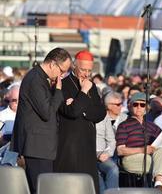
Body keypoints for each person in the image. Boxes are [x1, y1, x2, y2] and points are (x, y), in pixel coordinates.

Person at [11, 48, 72, 193]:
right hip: (37, 146)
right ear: (52, 64)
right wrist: (58, 91)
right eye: (62, 70)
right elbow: (47, 113)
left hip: (42, 147)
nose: (62, 75)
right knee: (41, 189)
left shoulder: (42, 78)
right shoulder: (35, 79)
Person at [54, 50, 106, 194]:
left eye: (89, 70)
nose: (86, 74)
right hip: (68, 144)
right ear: (74, 66)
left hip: (87, 144)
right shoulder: (62, 84)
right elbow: (71, 112)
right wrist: (83, 93)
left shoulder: (91, 86)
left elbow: (100, 113)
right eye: (83, 69)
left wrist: (81, 106)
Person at [116, 92, 162, 194]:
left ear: (146, 108)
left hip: (151, 157)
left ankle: (158, 184)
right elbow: (120, 150)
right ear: (129, 107)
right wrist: (143, 150)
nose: (139, 107)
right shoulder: (123, 125)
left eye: (142, 105)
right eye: (135, 104)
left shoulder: (152, 126)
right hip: (131, 158)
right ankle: (159, 185)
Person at [96, 91, 127, 194]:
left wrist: (107, 153)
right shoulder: (100, 116)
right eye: (117, 104)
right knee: (97, 173)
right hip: (92, 154)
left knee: (112, 168)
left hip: (113, 154)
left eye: (121, 104)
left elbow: (111, 140)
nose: (120, 107)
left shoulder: (126, 119)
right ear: (108, 106)